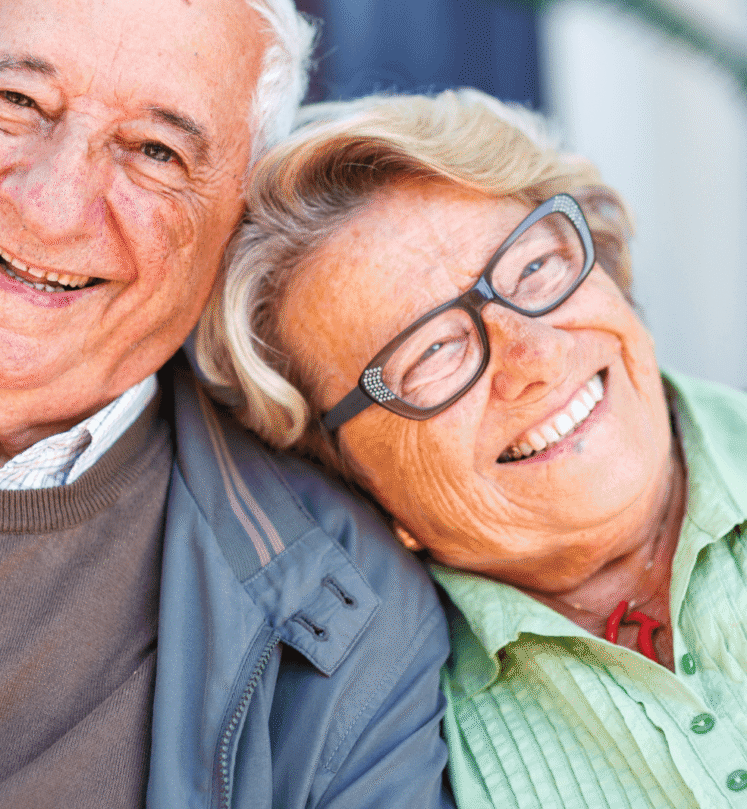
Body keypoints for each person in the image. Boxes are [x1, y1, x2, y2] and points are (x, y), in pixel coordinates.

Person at [0, 0, 454, 808]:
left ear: (233, 231)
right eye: (14, 99)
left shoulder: (347, 619)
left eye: (155, 153)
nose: (51, 203)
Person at [198, 88, 747, 808]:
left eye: (531, 269)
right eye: (432, 351)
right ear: (349, 471)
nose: (534, 356)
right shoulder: (382, 741)